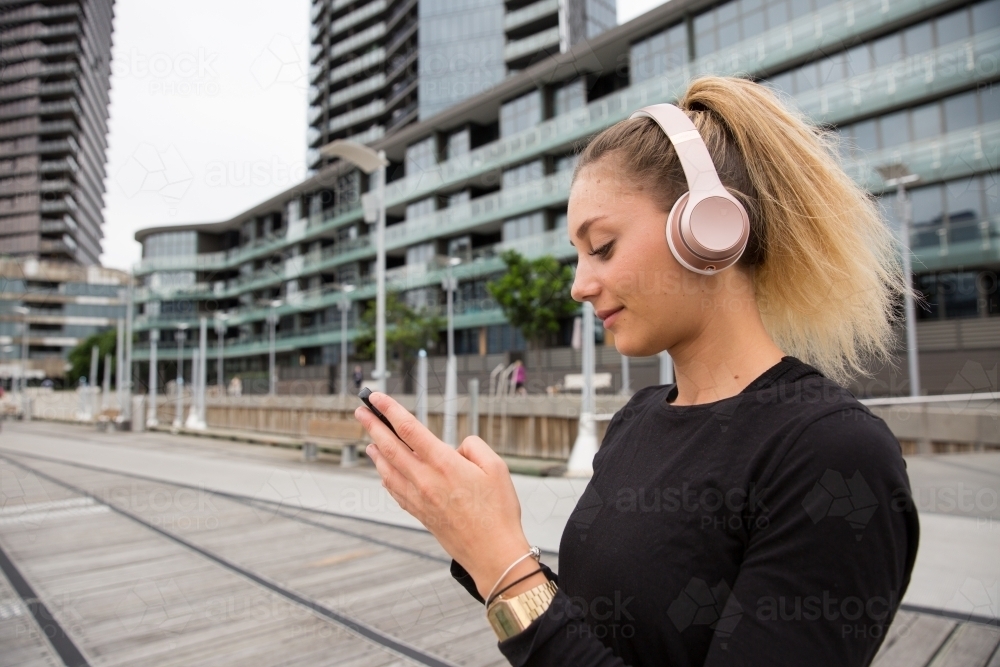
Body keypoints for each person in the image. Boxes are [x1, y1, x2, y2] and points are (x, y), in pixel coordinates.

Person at [354, 76, 918, 666]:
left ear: (706, 226)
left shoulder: (833, 456)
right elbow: (597, 633)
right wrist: (475, 533)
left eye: (601, 247)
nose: (578, 284)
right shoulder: (637, 421)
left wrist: (502, 565)